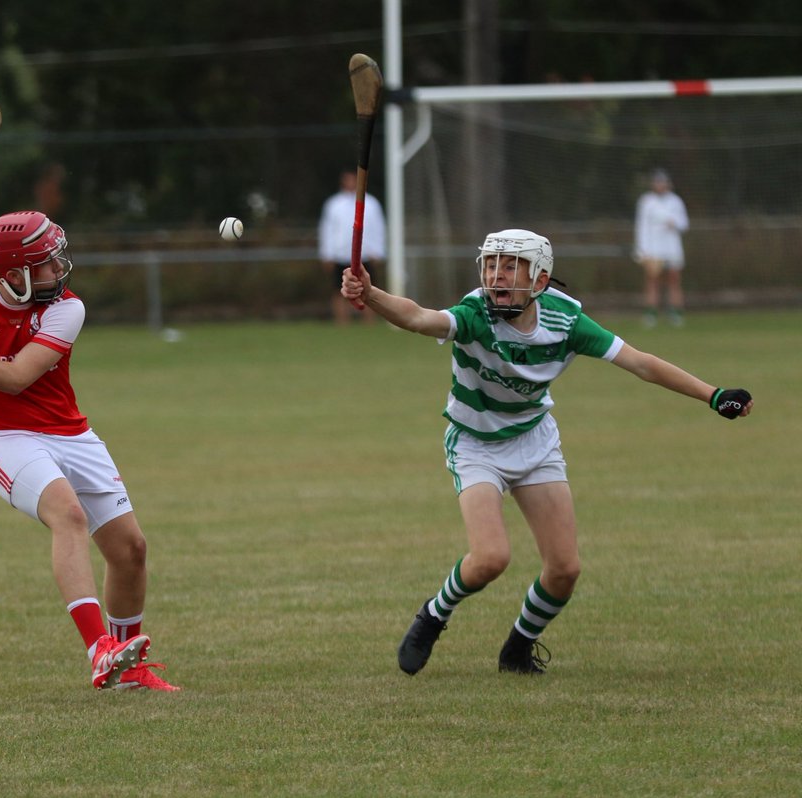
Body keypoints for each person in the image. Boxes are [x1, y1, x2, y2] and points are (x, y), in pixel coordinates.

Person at [340, 229, 753, 676]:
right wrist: (372, 292)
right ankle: (434, 614)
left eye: (510, 265)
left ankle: (518, 648)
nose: (497, 274)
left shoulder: (567, 321)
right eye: (492, 263)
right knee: (491, 559)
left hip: (534, 441)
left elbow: (640, 363)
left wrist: (713, 395)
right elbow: (419, 318)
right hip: (476, 443)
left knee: (564, 570)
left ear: (539, 279)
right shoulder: (475, 313)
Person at [0, 210, 179, 692]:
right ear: (14, 273)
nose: (57, 269)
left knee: (131, 550)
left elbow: (17, 377)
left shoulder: (67, 308)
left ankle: (128, 672)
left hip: (69, 433)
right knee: (68, 514)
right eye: (44, 263)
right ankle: (100, 649)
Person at [318, 169, 385, 325]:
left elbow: (378, 228)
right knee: (339, 290)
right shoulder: (333, 204)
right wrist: (327, 254)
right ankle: (342, 323)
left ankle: (369, 323)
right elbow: (327, 230)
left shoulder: (372, 203)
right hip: (341, 254)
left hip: (366, 254)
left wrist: (378, 251)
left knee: (369, 290)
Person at [634, 168, 690, 327]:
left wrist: (674, 223)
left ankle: (676, 313)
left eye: (662, 182)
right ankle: (651, 313)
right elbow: (641, 226)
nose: (659, 185)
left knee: (674, 280)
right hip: (653, 249)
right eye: (657, 182)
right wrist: (641, 249)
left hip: (672, 248)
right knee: (652, 281)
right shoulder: (646, 201)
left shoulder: (676, 201)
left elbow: (684, 224)